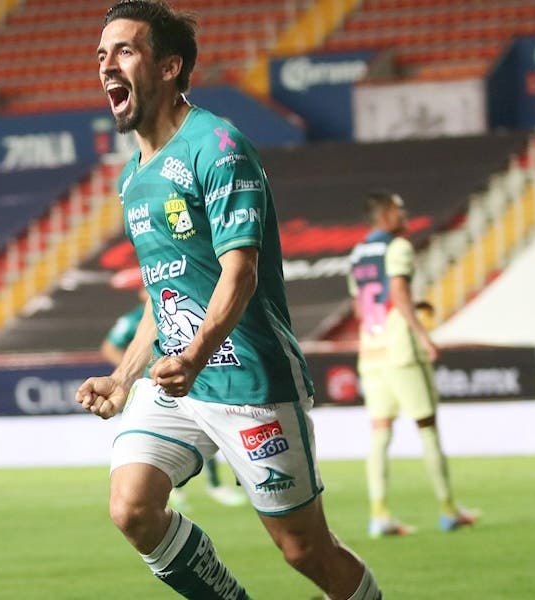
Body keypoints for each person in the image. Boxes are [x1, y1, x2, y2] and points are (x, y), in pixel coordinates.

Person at [76, 3, 382, 598]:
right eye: (101, 55)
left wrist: (194, 356)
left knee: (305, 550)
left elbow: (239, 273)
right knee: (131, 508)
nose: (107, 65)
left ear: (169, 67)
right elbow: (162, 292)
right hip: (177, 384)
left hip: (247, 380)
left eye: (125, 51)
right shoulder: (132, 177)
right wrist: (123, 376)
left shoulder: (217, 146)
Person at [347, 190, 477, 538]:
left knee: (380, 433)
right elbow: (398, 293)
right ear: (385, 215)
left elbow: (361, 308)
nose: (404, 216)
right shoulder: (398, 247)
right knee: (427, 428)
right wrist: (423, 335)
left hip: (371, 352)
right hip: (401, 351)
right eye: (399, 210)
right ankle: (448, 510)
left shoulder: (357, 254)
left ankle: (379, 515)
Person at [101, 286, 246, 510]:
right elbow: (110, 347)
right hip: (155, 384)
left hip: (193, 376)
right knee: (158, 444)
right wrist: (130, 371)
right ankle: (177, 490)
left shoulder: (187, 305)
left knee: (206, 432)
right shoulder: (134, 319)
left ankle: (215, 484)